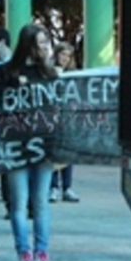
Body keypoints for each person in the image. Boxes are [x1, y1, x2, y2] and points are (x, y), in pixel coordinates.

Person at [0, 24, 58, 261]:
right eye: (40, 42)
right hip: (15, 146)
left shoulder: (49, 72)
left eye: (45, 42)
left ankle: (43, 251)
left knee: (40, 202)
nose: (44, 47)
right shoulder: (5, 72)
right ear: (28, 44)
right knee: (19, 203)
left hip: (44, 146)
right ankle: (24, 252)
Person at [49, 41, 80, 204]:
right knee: (54, 153)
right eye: (62, 54)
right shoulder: (48, 70)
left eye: (68, 55)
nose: (65, 58)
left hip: (67, 117)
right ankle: (53, 187)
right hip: (52, 117)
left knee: (68, 153)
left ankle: (67, 187)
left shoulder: (73, 73)